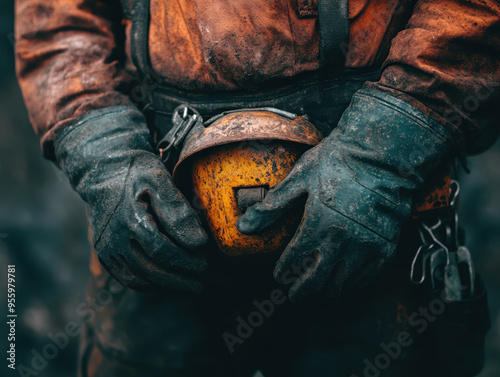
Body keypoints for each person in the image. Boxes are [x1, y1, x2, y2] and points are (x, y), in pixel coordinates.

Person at [15, 0, 499, 376]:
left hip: (371, 221)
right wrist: (103, 154)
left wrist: (383, 153)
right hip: (157, 222)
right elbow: (57, 23)